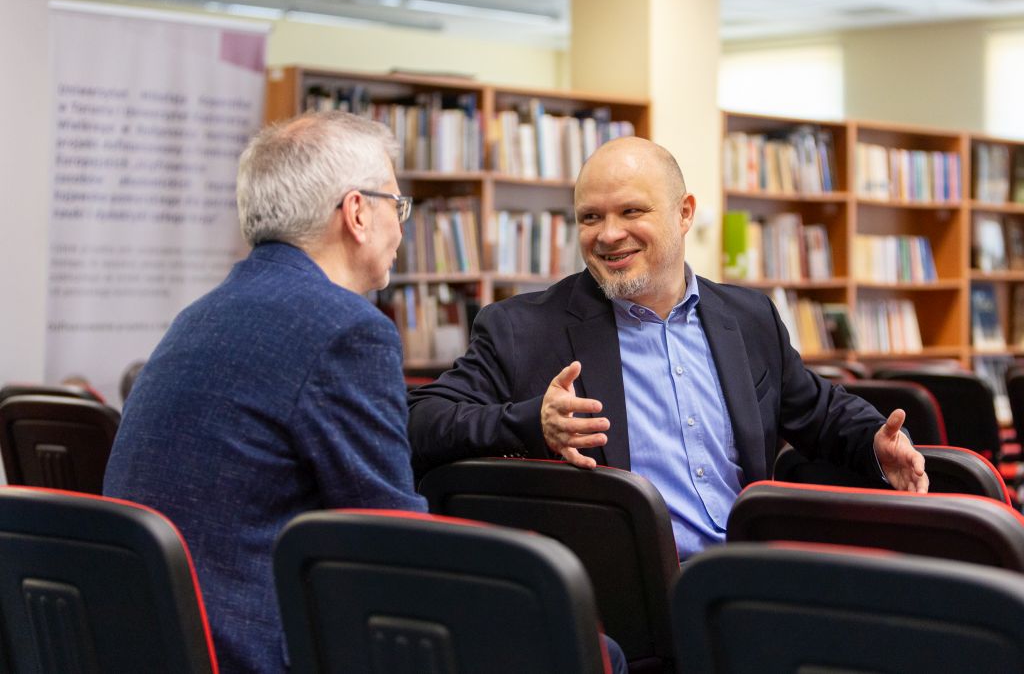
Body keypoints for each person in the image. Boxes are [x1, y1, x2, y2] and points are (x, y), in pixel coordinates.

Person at [408, 136, 928, 561]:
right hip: (629, 593)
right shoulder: (522, 328)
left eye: (631, 211)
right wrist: (531, 423)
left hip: (749, 569)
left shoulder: (748, 318)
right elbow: (421, 420)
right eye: (589, 218)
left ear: (684, 213)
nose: (609, 235)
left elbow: (820, 410)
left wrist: (874, 446)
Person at [103, 111, 426, 673]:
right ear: (356, 213)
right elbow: (392, 539)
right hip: (251, 651)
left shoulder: (199, 315)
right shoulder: (347, 328)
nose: (401, 227)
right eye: (395, 206)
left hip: (149, 641)